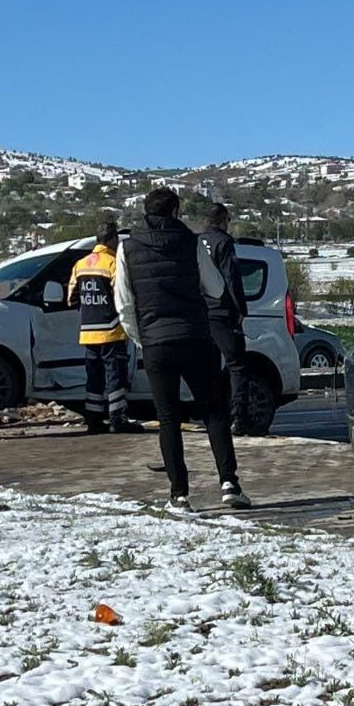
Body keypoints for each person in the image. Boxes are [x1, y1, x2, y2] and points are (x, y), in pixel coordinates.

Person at [115, 188, 250, 512]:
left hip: (156, 343)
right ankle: (229, 482)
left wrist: (141, 337)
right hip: (196, 337)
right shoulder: (192, 243)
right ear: (175, 211)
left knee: (168, 418)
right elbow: (216, 287)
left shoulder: (127, 248)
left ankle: (179, 494)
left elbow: (124, 303)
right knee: (214, 412)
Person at [67, 220, 142, 435]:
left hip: (88, 332)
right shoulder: (113, 263)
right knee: (115, 376)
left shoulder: (80, 265)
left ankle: (93, 419)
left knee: (94, 377)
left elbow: (71, 299)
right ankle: (117, 418)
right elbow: (122, 296)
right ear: (112, 239)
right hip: (111, 330)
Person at [200, 203, 250, 434]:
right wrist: (240, 309)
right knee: (237, 365)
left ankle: (211, 415)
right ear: (222, 220)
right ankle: (239, 417)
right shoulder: (224, 242)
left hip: (201, 312)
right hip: (222, 312)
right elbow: (231, 277)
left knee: (207, 367)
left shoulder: (196, 242)